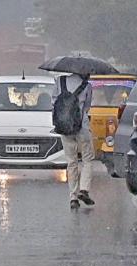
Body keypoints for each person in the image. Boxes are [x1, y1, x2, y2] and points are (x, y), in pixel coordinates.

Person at [53, 73, 95, 209]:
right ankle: (84, 190)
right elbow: (87, 107)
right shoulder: (87, 86)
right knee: (87, 159)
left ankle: (73, 198)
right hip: (81, 127)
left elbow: (53, 102)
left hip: (64, 127)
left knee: (71, 162)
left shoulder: (60, 81)